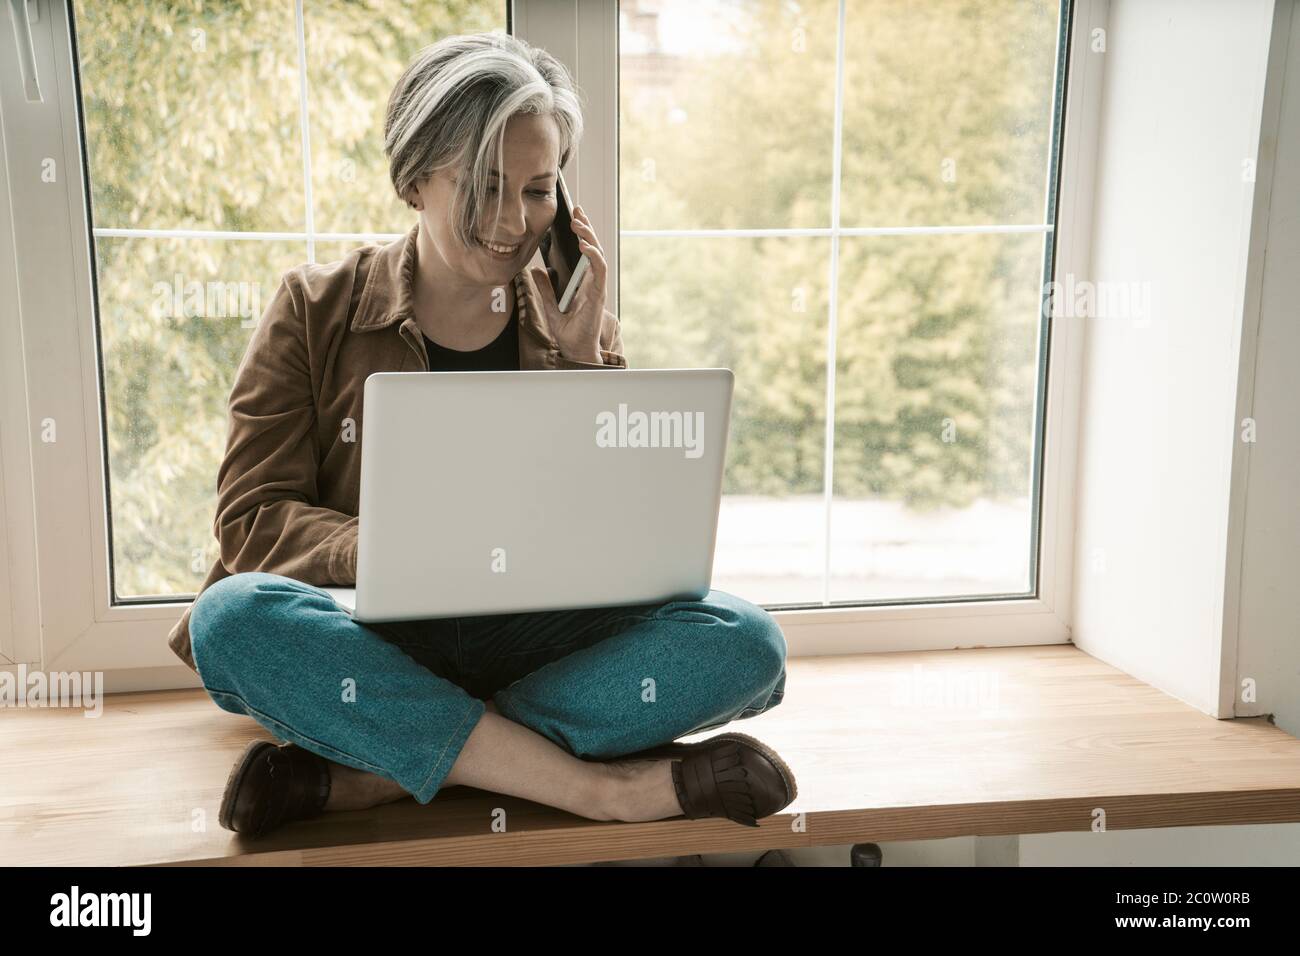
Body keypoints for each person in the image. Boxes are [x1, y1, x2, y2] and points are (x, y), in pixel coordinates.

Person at [178, 32, 796, 840]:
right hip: (375, 641)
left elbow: (619, 543)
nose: (514, 220)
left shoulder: (577, 326)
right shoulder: (312, 309)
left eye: (540, 190)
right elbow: (252, 522)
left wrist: (583, 365)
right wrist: (394, 551)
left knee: (748, 644)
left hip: (528, 640)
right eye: (485, 186)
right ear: (414, 180)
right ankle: (596, 789)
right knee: (228, 620)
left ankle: (379, 773)